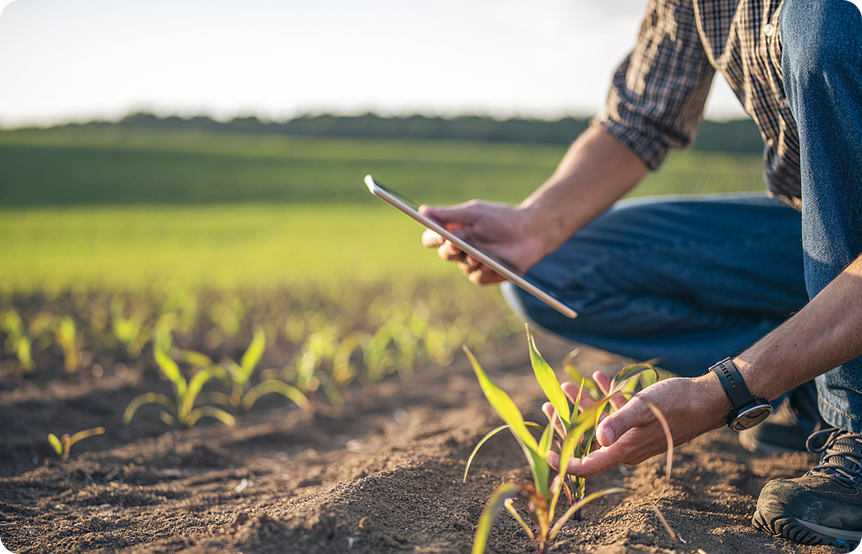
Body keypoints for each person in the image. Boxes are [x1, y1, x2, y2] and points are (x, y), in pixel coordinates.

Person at [420, 0, 862, 549]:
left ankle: (854, 421)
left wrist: (728, 389)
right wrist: (531, 227)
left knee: (827, 19)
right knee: (551, 267)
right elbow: (640, 118)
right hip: (809, 228)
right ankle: (807, 378)